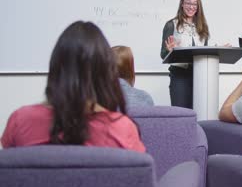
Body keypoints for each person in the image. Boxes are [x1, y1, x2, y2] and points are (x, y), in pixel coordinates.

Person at [1, 21, 145, 152]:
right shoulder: (121, 129)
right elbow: (138, 178)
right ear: (105, 72)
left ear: (56, 67)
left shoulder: (20, 121)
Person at [160, 0, 210, 109]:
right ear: (182, 4)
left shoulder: (202, 28)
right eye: (188, 3)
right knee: (181, 115)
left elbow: (205, 52)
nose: (191, 7)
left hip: (200, 76)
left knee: (198, 115)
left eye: (194, 4)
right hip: (179, 76)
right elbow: (163, 54)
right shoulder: (171, 25)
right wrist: (168, 50)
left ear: (198, 7)